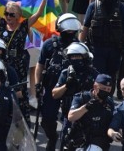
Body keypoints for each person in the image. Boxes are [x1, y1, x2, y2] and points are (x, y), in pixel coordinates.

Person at [35, 13, 83, 151]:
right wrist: (38, 84)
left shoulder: (80, 47)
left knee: (70, 123)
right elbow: (40, 65)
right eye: (67, 30)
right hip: (51, 88)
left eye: (72, 31)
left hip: (72, 90)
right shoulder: (49, 45)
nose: (69, 33)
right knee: (47, 120)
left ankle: (65, 144)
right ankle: (52, 137)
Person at [65, 74, 115, 151]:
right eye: (103, 88)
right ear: (95, 86)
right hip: (81, 138)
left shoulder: (109, 102)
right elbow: (71, 117)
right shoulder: (81, 98)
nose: (106, 91)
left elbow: (113, 122)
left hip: (99, 140)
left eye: (108, 89)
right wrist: (86, 107)